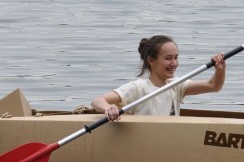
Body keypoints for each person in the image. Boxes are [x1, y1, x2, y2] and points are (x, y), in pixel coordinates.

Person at [92, 35, 226, 121]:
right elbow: (98, 101)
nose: (174, 63)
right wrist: (109, 109)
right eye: (168, 58)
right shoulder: (138, 88)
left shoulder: (177, 84)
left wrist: (220, 70)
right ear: (151, 60)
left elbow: (213, 86)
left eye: (176, 57)